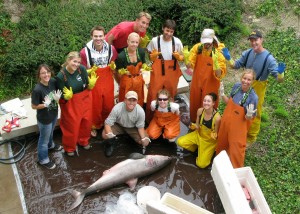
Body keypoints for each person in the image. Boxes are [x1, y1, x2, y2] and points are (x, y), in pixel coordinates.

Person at [221, 30, 286, 145]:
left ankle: (251, 137)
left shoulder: (269, 59)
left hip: (258, 86)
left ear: (261, 40)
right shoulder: (248, 53)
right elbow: (235, 65)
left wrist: (280, 73)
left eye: (255, 40)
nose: (253, 43)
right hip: (245, 83)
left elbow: (279, 79)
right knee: (240, 106)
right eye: (251, 40)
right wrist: (228, 58)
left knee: (255, 111)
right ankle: (239, 127)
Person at [56, 51, 98, 156]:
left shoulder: (82, 69)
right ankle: (69, 147)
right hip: (71, 104)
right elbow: (59, 94)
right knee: (71, 126)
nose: (76, 64)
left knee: (86, 123)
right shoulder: (61, 76)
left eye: (78, 62)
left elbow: (86, 84)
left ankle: (83, 141)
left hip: (85, 100)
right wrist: (65, 96)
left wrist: (90, 86)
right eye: (74, 61)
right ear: (68, 60)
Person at [80, 26, 118, 137]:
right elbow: (82, 70)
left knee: (108, 103)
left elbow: (113, 64)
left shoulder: (111, 49)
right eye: (95, 36)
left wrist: (113, 67)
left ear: (104, 36)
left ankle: (107, 123)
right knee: (95, 105)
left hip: (107, 80)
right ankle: (94, 125)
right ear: (91, 37)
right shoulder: (84, 52)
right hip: (94, 81)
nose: (98, 38)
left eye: (100, 36)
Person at [216, 69, 258, 168]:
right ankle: (219, 167)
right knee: (221, 144)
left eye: (249, 80)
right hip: (226, 123)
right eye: (244, 78)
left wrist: (248, 116)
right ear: (241, 78)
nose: (246, 82)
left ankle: (236, 172)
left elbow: (251, 117)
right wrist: (222, 95)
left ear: (252, 81)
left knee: (236, 152)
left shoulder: (253, 98)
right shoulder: (236, 87)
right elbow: (229, 103)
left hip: (238, 129)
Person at [146, 19, 184, 122]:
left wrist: (180, 57)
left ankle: (169, 117)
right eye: (167, 30)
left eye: (171, 31)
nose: (168, 33)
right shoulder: (155, 40)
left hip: (172, 71)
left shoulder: (177, 42)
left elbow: (183, 55)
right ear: (163, 28)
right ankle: (150, 118)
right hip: (158, 71)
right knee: (153, 93)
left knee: (170, 94)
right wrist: (152, 57)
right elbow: (149, 53)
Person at [187, 29, 226, 123]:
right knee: (195, 102)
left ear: (213, 40)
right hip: (197, 81)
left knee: (208, 104)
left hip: (211, 83)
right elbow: (189, 66)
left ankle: (209, 125)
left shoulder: (219, 54)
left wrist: (216, 65)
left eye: (208, 43)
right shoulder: (198, 48)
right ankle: (194, 122)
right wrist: (186, 59)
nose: (206, 45)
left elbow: (220, 75)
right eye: (205, 42)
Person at [177, 93, 221, 168]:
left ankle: (204, 151)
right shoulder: (200, 111)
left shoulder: (217, 118)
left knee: (201, 165)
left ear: (213, 103)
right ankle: (196, 147)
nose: (206, 103)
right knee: (180, 142)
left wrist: (214, 135)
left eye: (208, 101)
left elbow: (216, 133)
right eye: (204, 100)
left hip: (208, 142)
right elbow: (197, 126)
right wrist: (189, 124)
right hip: (198, 135)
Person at [31, 64, 62, 169]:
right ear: (39, 75)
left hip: (53, 114)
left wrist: (57, 99)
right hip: (44, 119)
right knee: (43, 140)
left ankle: (51, 145)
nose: (46, 75)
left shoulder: (52, 82)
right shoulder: (37, 90)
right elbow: (33, 106)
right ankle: (43, 159)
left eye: (47, 72)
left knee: (50, 133)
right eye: (43, 73)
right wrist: (44, 105)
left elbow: (58, 92)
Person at [102, 91, 150, 157]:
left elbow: (140, 127)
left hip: (132, 127)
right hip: (119, 125)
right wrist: (110, 135)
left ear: (137, 101)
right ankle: (111, 143)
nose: (131, 102)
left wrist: (143, 139)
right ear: (125, 100)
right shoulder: (117, 108)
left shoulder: (140, 111)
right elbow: (107, 123)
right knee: (105, 135)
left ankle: (140, 146)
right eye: (129, 100)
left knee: (146, 141)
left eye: (134, 100)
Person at [115, 32, 146, 106]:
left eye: (136, 42)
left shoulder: (141, 52)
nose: (134, 44)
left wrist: (144, 68)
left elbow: (144, 63)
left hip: (138, 81)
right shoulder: (121, 56)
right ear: (127, 41)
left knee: (139, 100)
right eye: (132, 42)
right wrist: (121, 72)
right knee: (125, 101)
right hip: (127, 82)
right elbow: (117, 72)